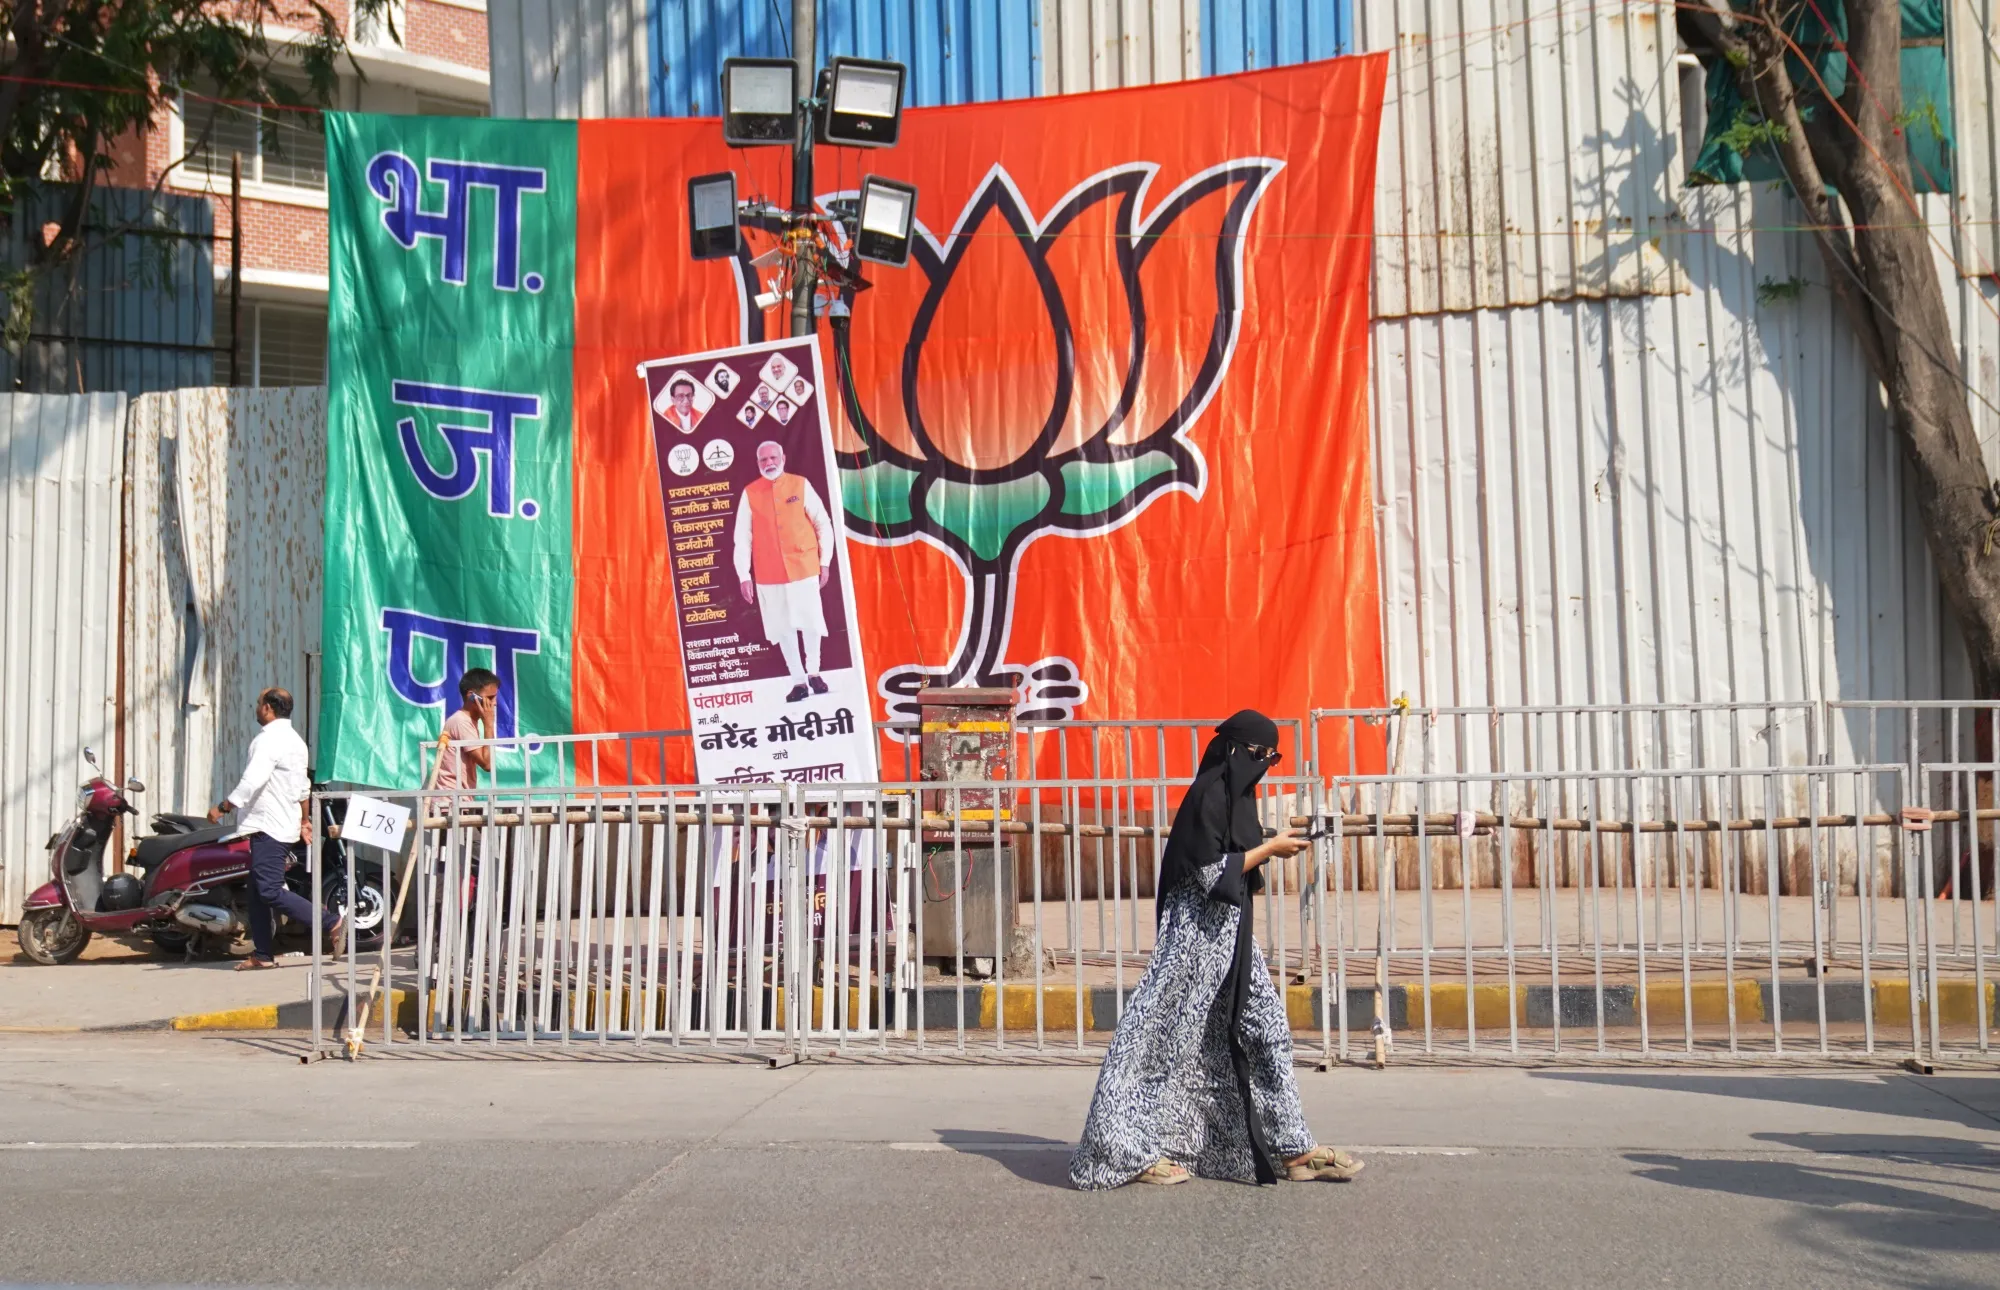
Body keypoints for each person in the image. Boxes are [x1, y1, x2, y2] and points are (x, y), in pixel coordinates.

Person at [1070, 711, 1364, 1188]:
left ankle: (1292, 1147)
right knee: (1155, 1043)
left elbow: (1236, 867)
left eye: (1273, 757)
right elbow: (1211, 872)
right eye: (1259, 755)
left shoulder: (1238, 799)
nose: (1265, 765)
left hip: (1231, 941)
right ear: (1234, 751)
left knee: (1267, 1031)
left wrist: (1266, 851)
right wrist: (1270, 851)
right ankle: (1122, 1151)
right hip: (1191, 945)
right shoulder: (1209, 795)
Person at [208, 687, 339, 970]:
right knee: (256, 892)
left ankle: (331, 921)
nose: (256, 708)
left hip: (268, 826)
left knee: (268, 890)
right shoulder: (296, 741)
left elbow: (252, 779)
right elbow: (302, 788)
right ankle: (263, 955)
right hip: (282, 824)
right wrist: (304, 821)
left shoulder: (267, 740)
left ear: (268, 708)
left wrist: (224, 806)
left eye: (258, 703)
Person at [733, 440, 835, 703]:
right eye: (763, 460)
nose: (769, 463)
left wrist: (825, 561)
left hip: (804, 566)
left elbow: (822, 522)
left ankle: (814, 672)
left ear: (783, 458)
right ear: (757, 463)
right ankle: (798, 681)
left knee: (811, 623)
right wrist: (744, 575)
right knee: (783, 628)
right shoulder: (750, 493)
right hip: (769, 574)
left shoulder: (800, 484)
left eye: (773, 457)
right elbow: (742, 537)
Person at [432, 667, 498, 797]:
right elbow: (487, 764)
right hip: (450, 802)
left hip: (455, 800)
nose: (494, 703)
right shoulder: (461, 722)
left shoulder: (466, 720)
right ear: (471, 696)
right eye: (490, 698)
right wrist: (489, 724)